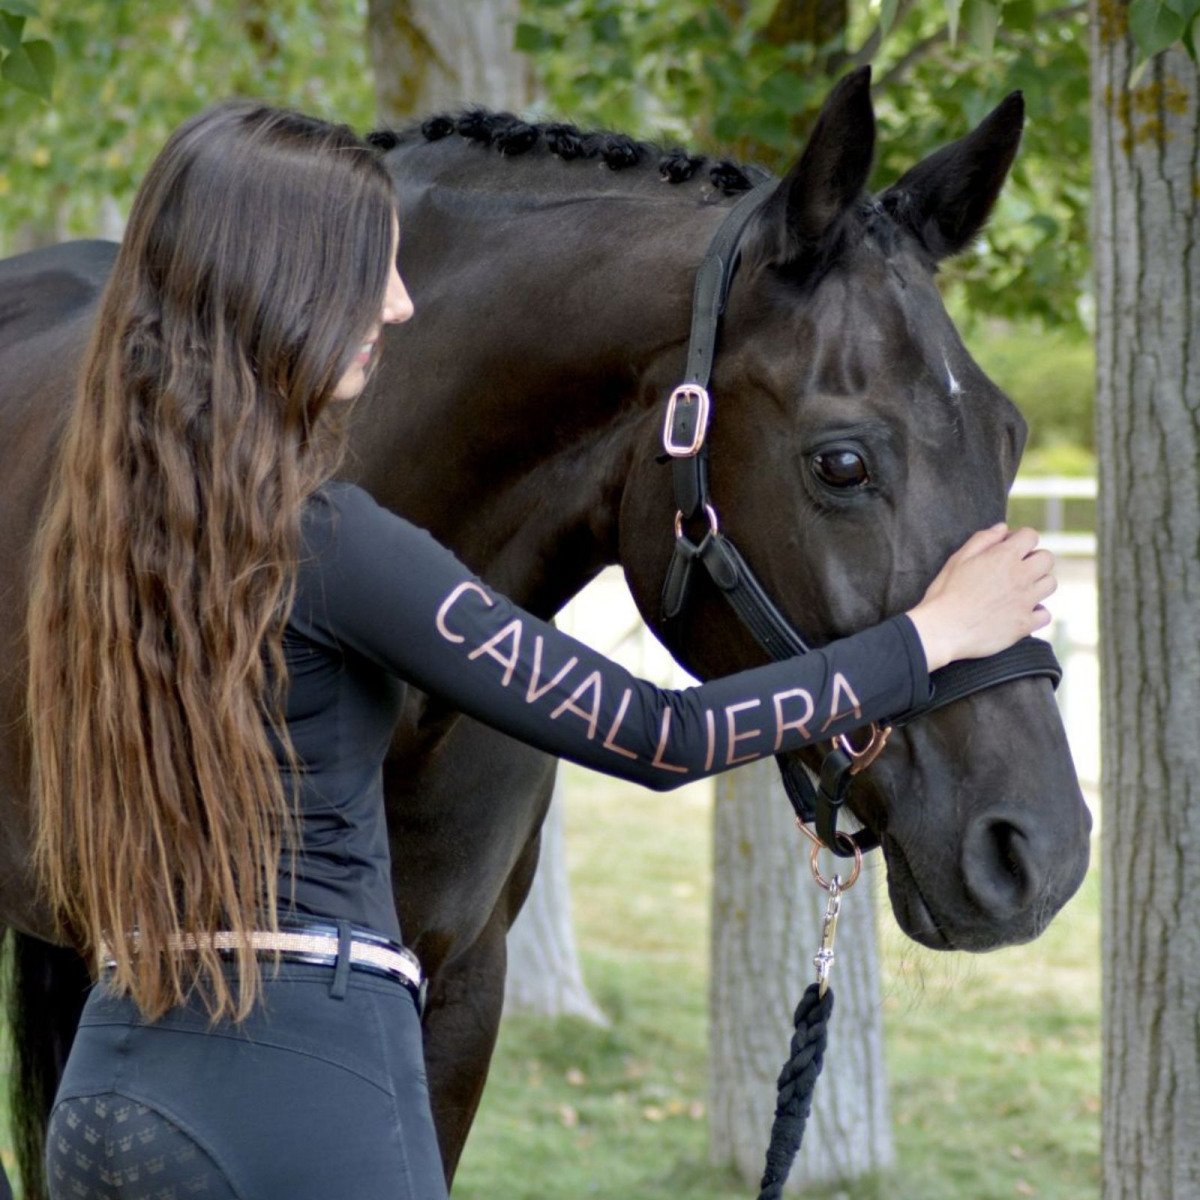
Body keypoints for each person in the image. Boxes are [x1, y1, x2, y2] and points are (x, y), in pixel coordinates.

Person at [26, 101, 1055, 1200]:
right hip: (304, 1104)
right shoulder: (337, 545)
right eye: (368, 270)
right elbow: (664, 737)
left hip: (108, 1096)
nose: (400, 302)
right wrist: (931, 636)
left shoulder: (105, 539)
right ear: (278, 292)